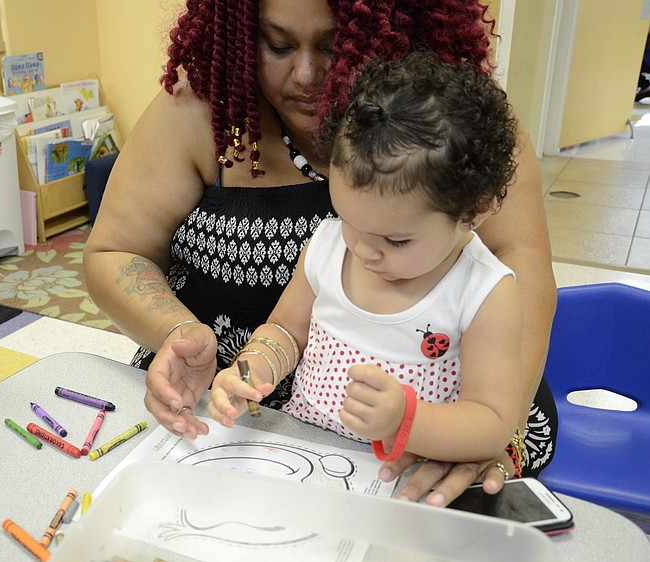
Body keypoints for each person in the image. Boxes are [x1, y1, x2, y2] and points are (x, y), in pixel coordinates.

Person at [83, 0, 557, 506]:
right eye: (278, 43)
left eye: (333, 45)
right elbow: (118, 250)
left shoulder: (463, 132)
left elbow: (520, 268)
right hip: (262, 421)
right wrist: (192, 339)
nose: (305, 74)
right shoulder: (212, 117)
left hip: (437, 428)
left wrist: (465, 434)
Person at [208, 52, 524, 475]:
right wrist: (250, 370)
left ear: (474, 211)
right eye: (349, 220)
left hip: (406, 477)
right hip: (305, 456)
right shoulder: (328, 246)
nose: (363, 250)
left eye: (396, 240)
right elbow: (284, 330)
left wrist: (407, 421)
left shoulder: (483, 291)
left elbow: (492, 422)